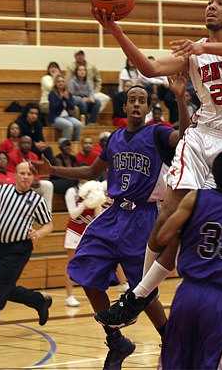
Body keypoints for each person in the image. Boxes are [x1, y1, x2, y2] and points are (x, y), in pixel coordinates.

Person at [91, 0, 222, 332]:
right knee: (169, 218)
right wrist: (117, 32)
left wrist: (203, 48)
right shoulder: (192, 53)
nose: (211, 6)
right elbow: (151, 67)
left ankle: (139, 294)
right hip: (199, 137)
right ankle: (137, 296)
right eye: (209, 2)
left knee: (189, 226)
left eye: (220, 3)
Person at [36, 79, 189, 370]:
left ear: (147, 107)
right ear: (124, 106)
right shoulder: (115, 139)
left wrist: (180, 99)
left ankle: (170, 342)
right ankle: (116, 341)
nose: (136, 104)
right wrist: (53, 169)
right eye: (132, 99)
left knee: (144, 291)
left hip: (144, 218)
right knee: (84, 271)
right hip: (113, 213)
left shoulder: (158, 133)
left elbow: (184, 136)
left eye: (141, 100)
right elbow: (92, 170)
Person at [153, 149, 222, 370]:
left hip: (188, 294)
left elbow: (162, 236)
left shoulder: (196, 197)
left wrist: (188, 231)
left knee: (175, 362)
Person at [0, 162, 53, 343]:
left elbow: (49, 224)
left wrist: (39, 233)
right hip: (0, 247)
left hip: (20, 248)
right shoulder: (3, 191)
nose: (26, 177)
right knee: (6, 288)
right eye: (22, 173)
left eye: (29, 174)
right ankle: (38, 301)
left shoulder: (37, 200)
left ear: (33, 177)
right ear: (15, 175)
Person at [64, 177, 105, 307]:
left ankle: (93, 293)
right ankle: (69, 296)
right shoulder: (72, 192)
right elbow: (73, 214)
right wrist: (85, 202)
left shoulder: (96, 189)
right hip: (74, 231)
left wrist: (96, 200)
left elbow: (98, 216)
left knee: (92, 264)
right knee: (71, 264)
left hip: (88, 232)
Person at [7, 136, 54, 212]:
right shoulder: (12, 156)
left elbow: (36, 173)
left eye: (28, 143)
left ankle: (47, 212)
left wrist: (36, 179)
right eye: (24, 143)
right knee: (27, 193)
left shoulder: (34, 156)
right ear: (19, 144)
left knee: (48, 185)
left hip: (31, 184)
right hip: (18, 185)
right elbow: (11, 173)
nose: (26, 145)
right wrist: (26, 181)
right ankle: (28, 212)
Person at [48, 74, 83, 141]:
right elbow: (53, 107)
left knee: (79, 124)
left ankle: (75, 143)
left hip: (66, 116)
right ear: (55, 83)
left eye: (62, 81)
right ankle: (65, 145)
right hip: (55, 117)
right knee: (68, 125)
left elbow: (72, 107)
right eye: (58, 81)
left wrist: (66, 99)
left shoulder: (68, 93)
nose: (60, 83)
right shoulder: (52, 94)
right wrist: (62, 99)